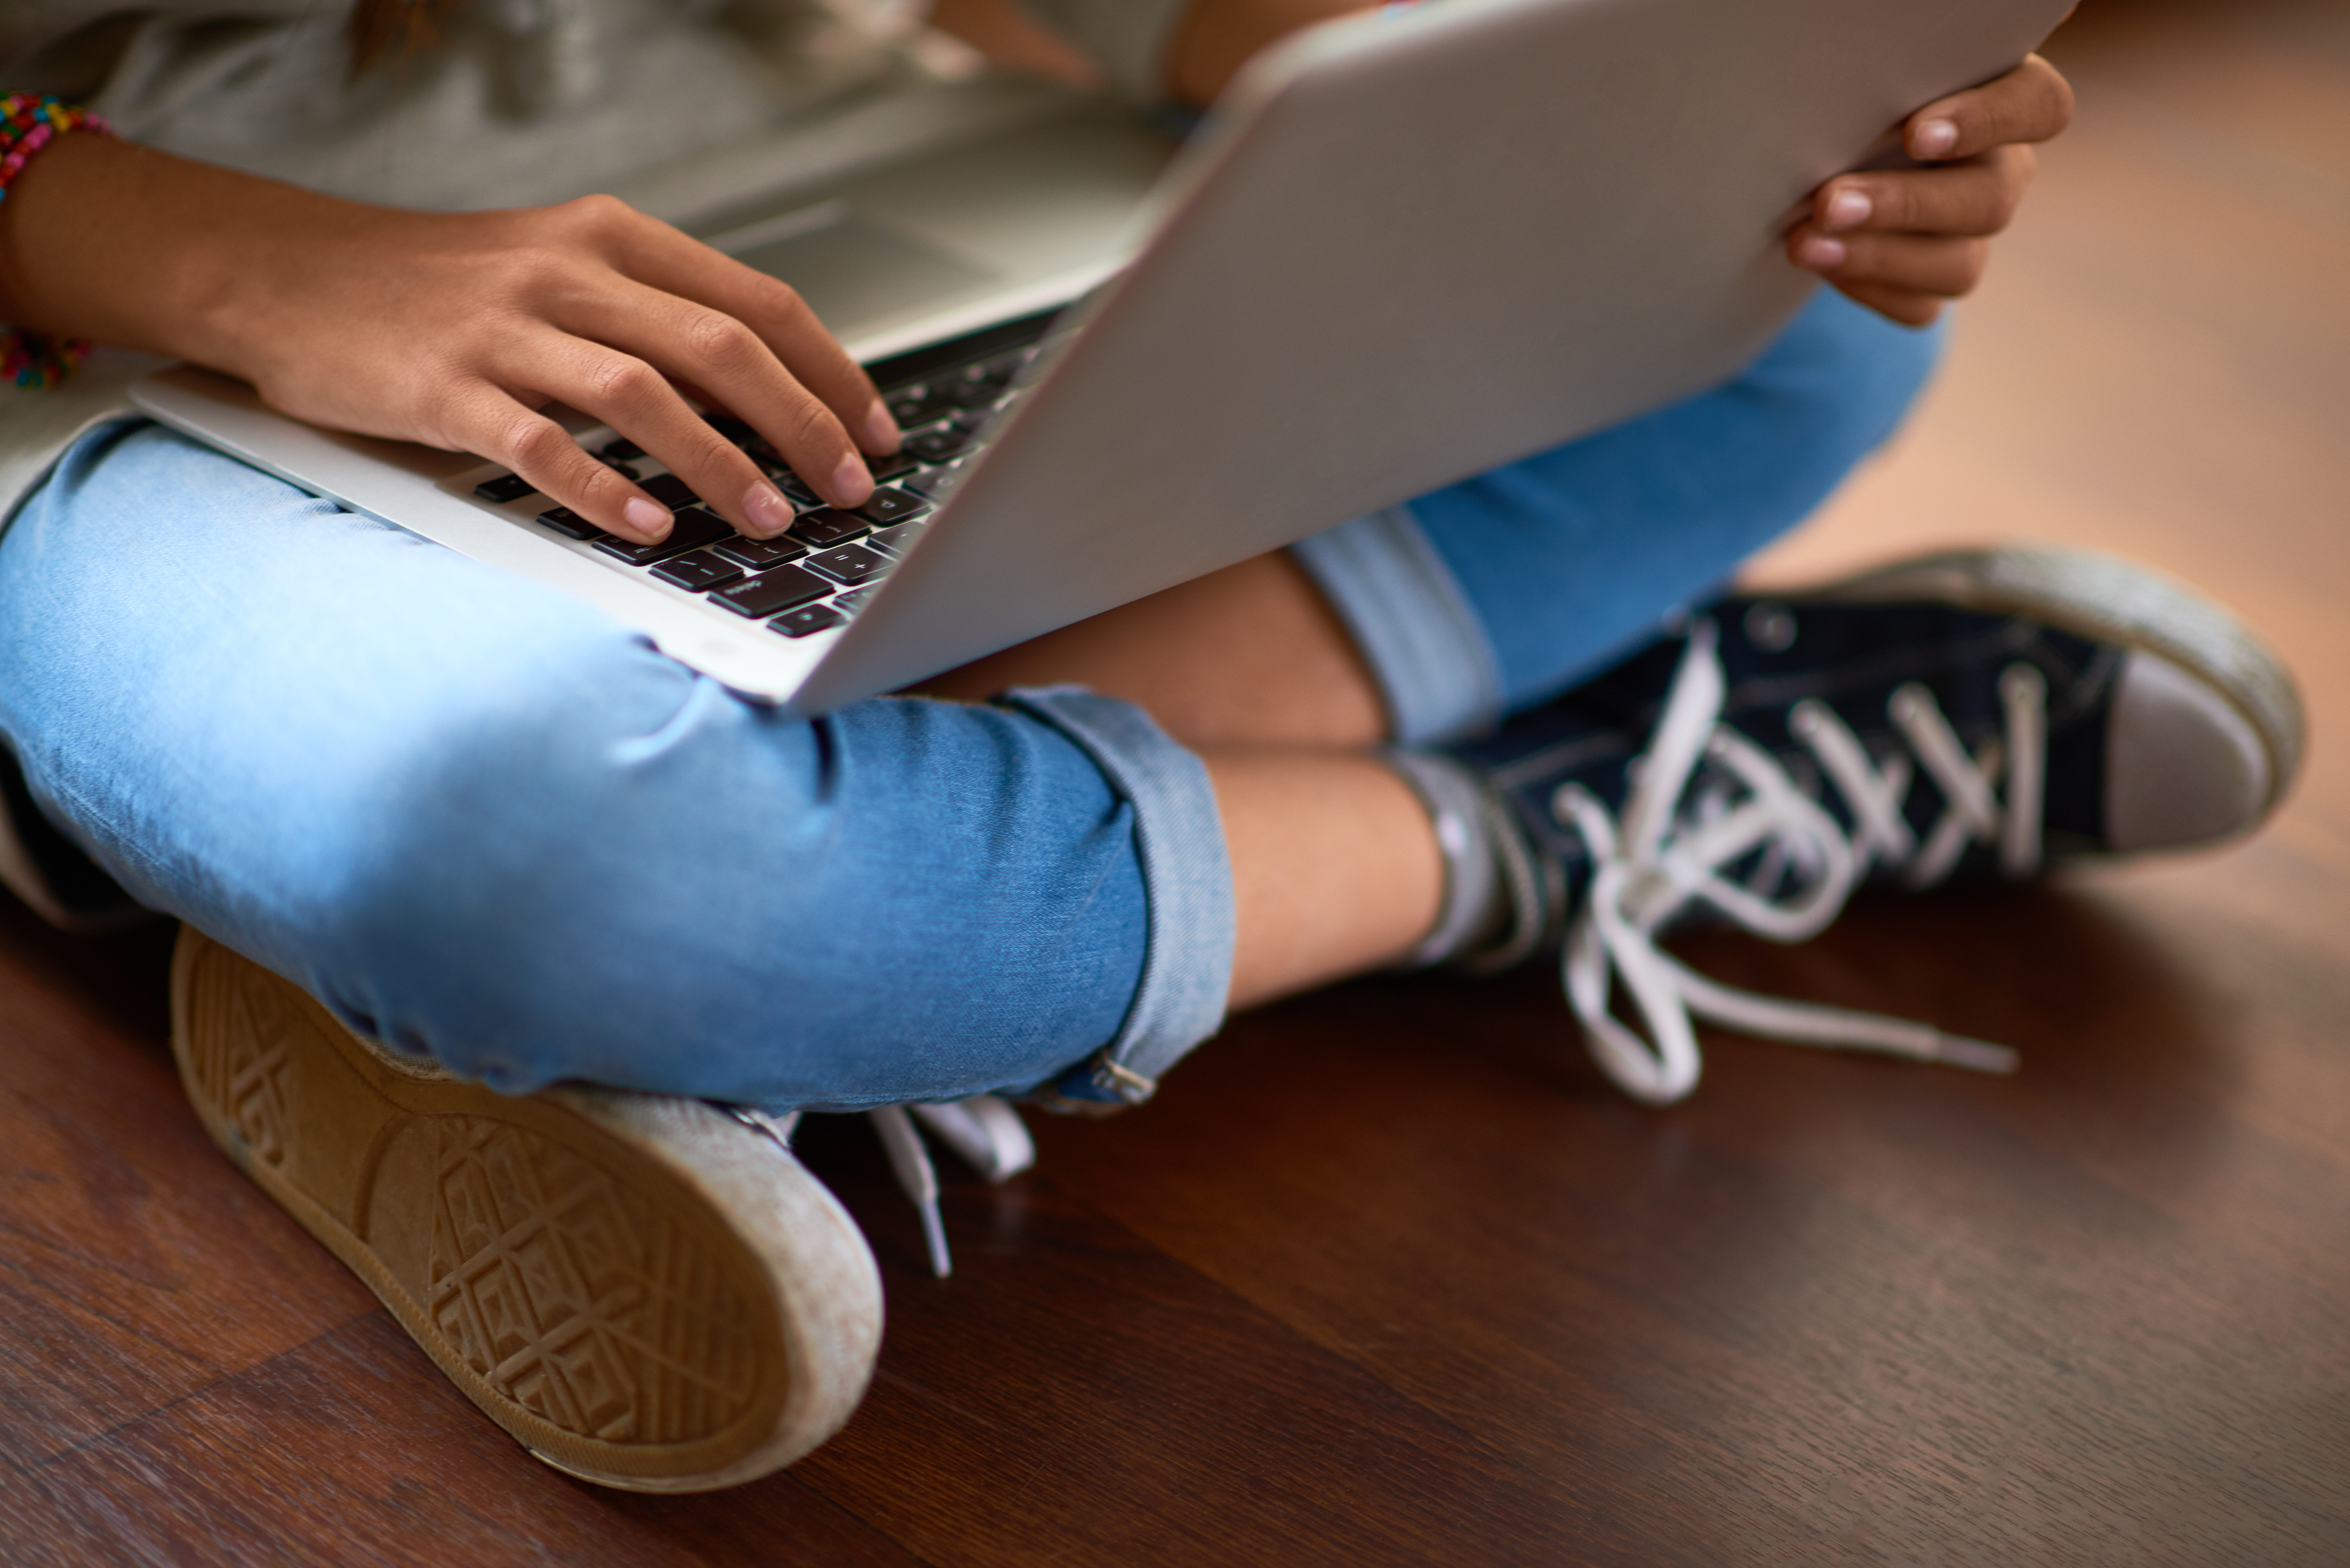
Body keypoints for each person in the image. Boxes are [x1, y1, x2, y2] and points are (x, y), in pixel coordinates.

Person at [0, 0, 2298, 1493]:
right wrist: (231, 266)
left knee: (1777, 320)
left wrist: (1704, 87)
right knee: (543, 860)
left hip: (788, 138)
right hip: (94, 321)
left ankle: (799, 931)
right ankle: (1557, 815)